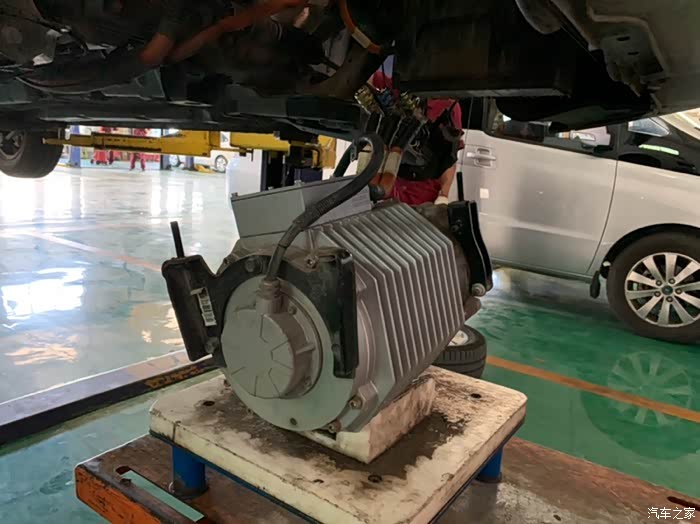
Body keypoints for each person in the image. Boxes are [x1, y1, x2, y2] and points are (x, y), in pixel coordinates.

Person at [371, 71, 463, 206]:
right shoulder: (398, 90)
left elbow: (450, 158)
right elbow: (369, 77)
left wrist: (443, 195)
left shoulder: (449, 106)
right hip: (391, 180)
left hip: (422, 191)